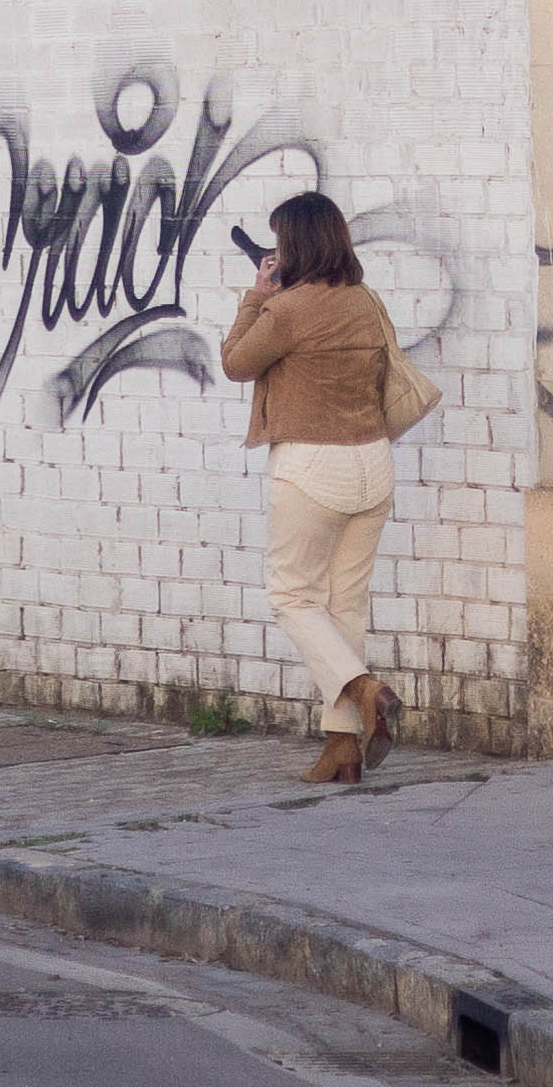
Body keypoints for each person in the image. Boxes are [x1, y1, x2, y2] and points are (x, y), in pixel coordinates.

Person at [219, 190, 405, 782]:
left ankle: (364, 688)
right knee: (344, 605)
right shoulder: (366, 301)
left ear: (296, 245)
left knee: (294, 597)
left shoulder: (289, 310)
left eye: (280, 242)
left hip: (312, 468)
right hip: (373, 463)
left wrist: (257, 295)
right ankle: (342, 747)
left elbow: (235, 362)